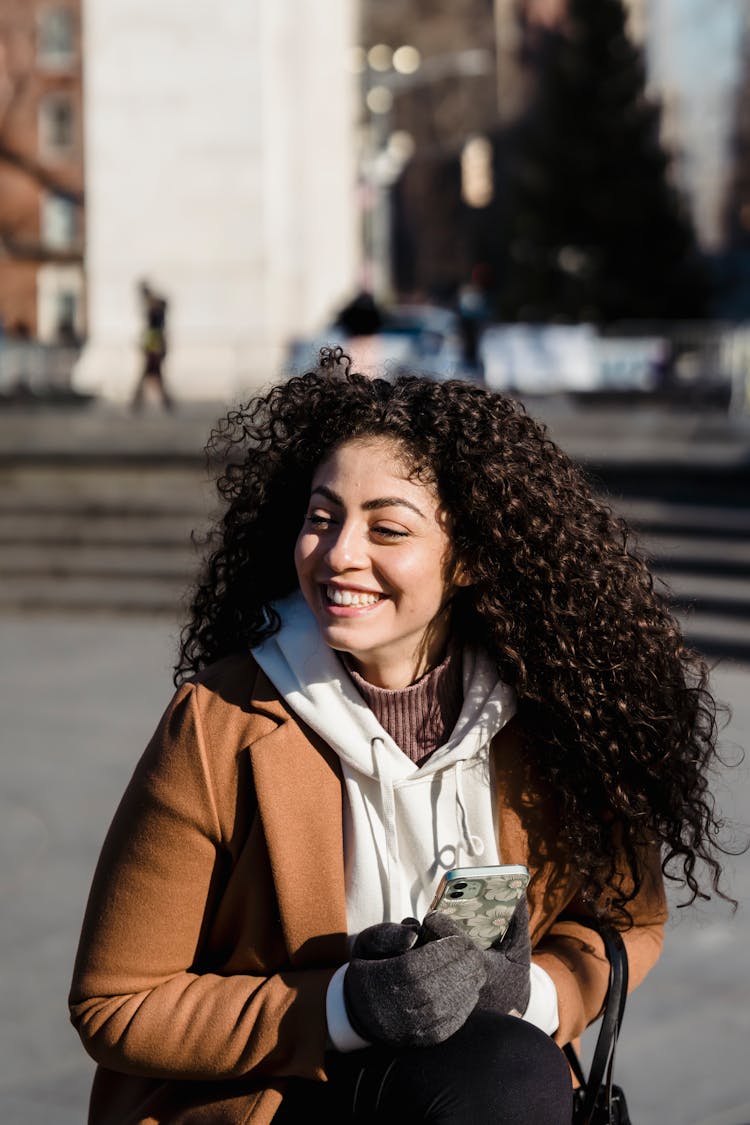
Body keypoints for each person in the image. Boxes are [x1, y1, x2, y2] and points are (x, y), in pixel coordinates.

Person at [69, 346, 737, 1124]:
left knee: (510, 1072)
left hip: (477, 1086)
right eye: (322, 518)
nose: (340, 553)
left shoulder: (553, 712)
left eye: (388, 528)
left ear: (470, 562)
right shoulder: (219, 722)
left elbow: (628, 920)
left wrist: (534, 989)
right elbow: (116, 1002)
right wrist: (348, 1005)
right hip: (276, 1098)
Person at [131, 280, 173, 411]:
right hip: (153, 345)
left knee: (148, 376)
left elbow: (153, 330)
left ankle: (136, 404)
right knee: (155, 377)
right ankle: (166, 403)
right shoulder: (154, 306)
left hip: (154, 346)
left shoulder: (154, 307)